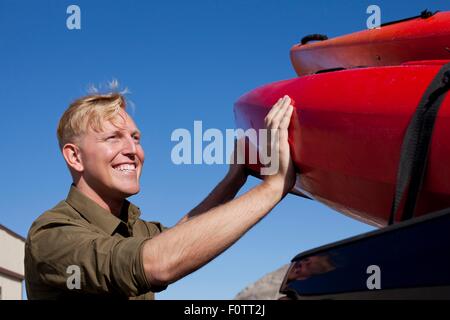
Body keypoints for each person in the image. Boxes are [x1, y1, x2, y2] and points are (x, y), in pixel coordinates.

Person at [24, 91, 296, 299]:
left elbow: (183, 238)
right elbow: (156, 262)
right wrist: (272, 188)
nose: (133, 150)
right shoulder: (51, 235)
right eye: (113, 138)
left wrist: (235, 178)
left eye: (136, 138)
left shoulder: (133, 227)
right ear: (75, 156)